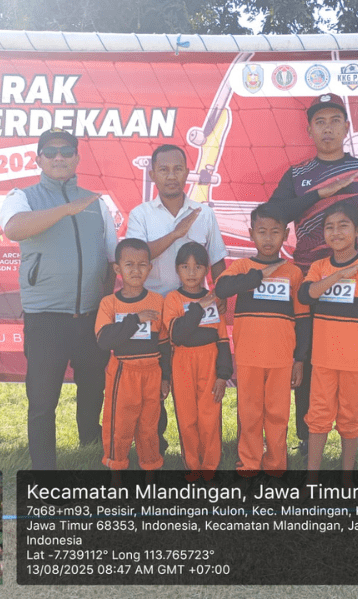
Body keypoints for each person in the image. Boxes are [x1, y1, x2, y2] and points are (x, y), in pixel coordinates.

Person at [267, 93, 358, 466]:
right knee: (306, 356)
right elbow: (273, 215)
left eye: (334, 120)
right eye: (320, 121)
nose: (328, 128)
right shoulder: (297, 175)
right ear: (309, 129)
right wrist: (316, 194)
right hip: (308, 282)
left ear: (346, 127)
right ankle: (307, 438)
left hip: (356, 282)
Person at [0, 128, 117, 470]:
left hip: (91, 315)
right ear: (38, 159)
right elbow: (14, 228)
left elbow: (111, 258)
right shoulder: (21, 197)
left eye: (66, 151)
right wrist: (66, 209)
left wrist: (105, 304)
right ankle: (44, 468)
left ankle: (89, 445)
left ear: (77, 158)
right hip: (46, 317)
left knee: (93, 386)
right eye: (50, 152)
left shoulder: (96, 203)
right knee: (42, 399)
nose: (59, 157)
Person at [126, 144, 228, 454]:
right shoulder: (140, 214)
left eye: (177, 169)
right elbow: (136, 257)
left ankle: (201, 452)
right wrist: (175, 233)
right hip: (152, 307)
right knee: (154, 382)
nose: (171, 175)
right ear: (152, 173)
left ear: (187, 172)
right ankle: (154, 447)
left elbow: (217, 260)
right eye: (164, 169)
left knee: (197, 385)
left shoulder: (203, 213)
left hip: (196, 310)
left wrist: (221, 294)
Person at [214, 204, 309, 476]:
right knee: (250, 413)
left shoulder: (293, 273)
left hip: (282, 359)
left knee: (278, 415)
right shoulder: (243, 267)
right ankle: (249, 463)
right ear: (251, 233)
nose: (268, 238)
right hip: (249, 357)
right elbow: (221, 287)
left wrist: (300, 359)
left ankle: (276, 465)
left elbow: (303, 320)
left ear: (286, 235)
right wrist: (255, 277)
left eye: (275, 232)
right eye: (262, 231)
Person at [298, 202, 358, 472]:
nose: (336, 232)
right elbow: (306, 295)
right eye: (329, 227)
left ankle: (346, 475)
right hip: (323, 360)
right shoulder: (318, 267)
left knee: (351, 419)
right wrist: (339, 275)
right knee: (318, 416)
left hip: (356, 361)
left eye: (343, 225)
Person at [95, 238, 169, 471]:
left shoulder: (157, 301)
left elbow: (164, 344)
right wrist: (135, 319)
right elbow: (104, 340)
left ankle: (151, 466)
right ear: (118, 268)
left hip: (152, 372)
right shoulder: (109, 303)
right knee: (120, 424)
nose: (136, 270)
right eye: (129, 265)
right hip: (123, 372)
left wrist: (165, 377)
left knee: (149, 426)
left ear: (150, 268)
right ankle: (116, 467)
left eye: (142, 265)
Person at [163, 242, 232, 479]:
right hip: (182, 362)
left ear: (206, 270)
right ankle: (192, 466)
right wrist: (198, 308)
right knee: (187, 417)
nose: (192, 272)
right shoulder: (172, 299)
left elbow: (222, 339)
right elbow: (177, 335)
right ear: (177, 269)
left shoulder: (214, 299)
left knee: (209, 416)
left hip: (210, 361)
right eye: (185, 266)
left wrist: (223, 375)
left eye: (198, 267)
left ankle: (210, 467)